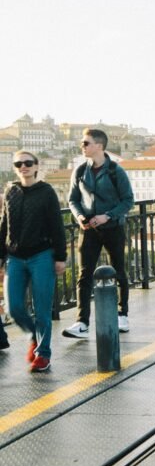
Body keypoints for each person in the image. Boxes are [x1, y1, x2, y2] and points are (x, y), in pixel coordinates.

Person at [63, 128, 135, 339]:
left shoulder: (115, 171)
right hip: (89, 231)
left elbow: (128, 200)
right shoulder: (79, 171)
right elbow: (73, 199)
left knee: (119, 270)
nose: (82, 146)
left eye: (86, 143)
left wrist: (108, 216)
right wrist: (79, 217)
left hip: (112, 228)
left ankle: (122, 315)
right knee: (84, 275)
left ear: (99, 146)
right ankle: (82, 322)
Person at [0, 150, 67, 372]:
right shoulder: (10, 190)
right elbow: (4, 226)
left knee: (42, 309)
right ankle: (33, 337)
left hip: (42, 256)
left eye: (28, 163)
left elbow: (57, 226)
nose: (23, 167)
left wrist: (60, 257)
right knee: (13, 307)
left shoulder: (46, 192)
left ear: (37, 166)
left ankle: (43, 354)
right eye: (18, 163)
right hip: (15, 258)